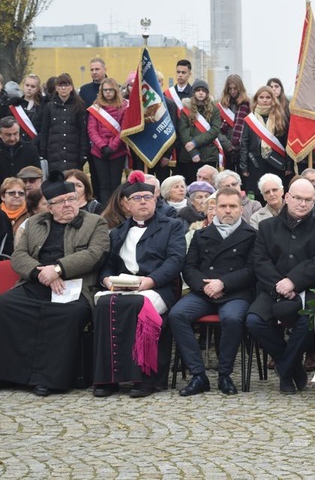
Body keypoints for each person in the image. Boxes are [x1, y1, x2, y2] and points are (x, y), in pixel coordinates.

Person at [0, 170, 109, 396]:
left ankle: (48, 380)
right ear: (48, 207)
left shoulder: (95, 222)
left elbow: (95, 254)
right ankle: (10, 374)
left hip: (75, 286)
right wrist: (40, 273)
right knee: (7, 305)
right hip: (36, 282)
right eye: (59, 202)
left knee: (66, 315)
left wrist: (58, 268)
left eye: (71, 199)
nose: (67, 205)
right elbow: (19, 255)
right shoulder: (34, 223)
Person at [93, 171, 186, 398]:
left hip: (159, 287)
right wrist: (106, 280)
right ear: (126, 204)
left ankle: (145, 379)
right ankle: (108, 378)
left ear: (155, 200)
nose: (143, 201)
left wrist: (150, 281)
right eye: (137, 198)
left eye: (147, 197)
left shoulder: (172, 226)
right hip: (123, 286)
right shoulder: (117, 233)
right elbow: (108, 265)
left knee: (138, 306)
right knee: (104, 305)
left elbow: (175, 260)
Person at [245, 178, 315, 395]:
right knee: (254, 320)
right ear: (287, 197)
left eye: (309, 200)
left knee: (309, 322)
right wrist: (280, 284)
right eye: (298, 198)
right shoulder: (267, 226)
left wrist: (294, 281)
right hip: (272, 287)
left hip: (309, 289)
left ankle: (284, 369)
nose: (303, 204)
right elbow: (260, 261)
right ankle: (293, 366)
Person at [170, 188, 256, 396]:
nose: (228, 210)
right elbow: (189, 267)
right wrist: (204, 286)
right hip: (204, 292)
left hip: (235, 292)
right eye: (223, 206)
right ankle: (198, 375)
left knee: (233, 318)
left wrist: (223, 283)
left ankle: (224, 374)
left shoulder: (252, 235)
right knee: (177, 315)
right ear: (215, 208)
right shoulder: (201, 235)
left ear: (241, 209)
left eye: (232, 206)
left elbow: (253, 269)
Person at [240, 86, 290, 197]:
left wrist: (289, 166)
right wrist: (244, 167)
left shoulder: (281, 118)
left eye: (268, 97)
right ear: (256, 99)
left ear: (273, 99)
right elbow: (244, 144)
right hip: (256, 163)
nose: (265, 100)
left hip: (276, 162)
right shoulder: (250, 119)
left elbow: (287, 143)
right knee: (258, 194)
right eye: (261, 97)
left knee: (276, 194)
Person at [87, 77, 128, 204]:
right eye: (105, 90)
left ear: (116, 90)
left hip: (118, 151)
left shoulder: (124, 107)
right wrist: (103, 147)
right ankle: (105, 212)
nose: (108, 93)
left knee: (115, 183)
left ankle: (116, 210)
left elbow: (124, 129)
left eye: (110, 90)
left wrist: (112, 146)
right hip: (99, 152)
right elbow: (92, 130)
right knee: (103, 184)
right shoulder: (96, 108)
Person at [38, 74, 89, 174]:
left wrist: (83, 154)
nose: (64, 88)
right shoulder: (49, 107)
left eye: (66, 85)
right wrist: (43, 152)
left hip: (73, 154)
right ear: (56, 88)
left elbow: (83, 132)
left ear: (71, 87)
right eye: (61, 85)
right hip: (54, 155)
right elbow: (44, 130)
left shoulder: (79, 106)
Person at [177, 79, 221, 184]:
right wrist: (193, 152)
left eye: (203, 90)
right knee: (191, 185)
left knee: (208, 185)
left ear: (207, 93)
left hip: (209, 155)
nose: (201, 93)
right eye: (198, 90)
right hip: (189, 157)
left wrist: (195, 142)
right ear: (193, 92)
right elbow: (184, 132)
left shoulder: (214, 110)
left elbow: (214, 130)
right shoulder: (186, 110)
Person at [218, 75, 251, 175]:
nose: (232, 91)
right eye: (230, 88)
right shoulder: (221, 105)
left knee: (244, 180)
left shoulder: (247, 105)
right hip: (227, 148)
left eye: (235, 88)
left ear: (240, 88)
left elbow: (250, 127)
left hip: (243, 149)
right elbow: (216, 128)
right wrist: (227, 144)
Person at [5, 74, 44, 150]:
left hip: (35, 147)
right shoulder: (14, 105)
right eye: (27, 85)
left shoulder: (42, 107)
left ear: (37, 89)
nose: (29, 88)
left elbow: (43, 129)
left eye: (33, 86)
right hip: (17, 146)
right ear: (23, 86)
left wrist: (34, 143)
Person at [0, 117, 40, 185]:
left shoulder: (31, 150)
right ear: (0, 134)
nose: (12, 138)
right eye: (8, 135)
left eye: (15, 134)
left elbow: (37, 175)